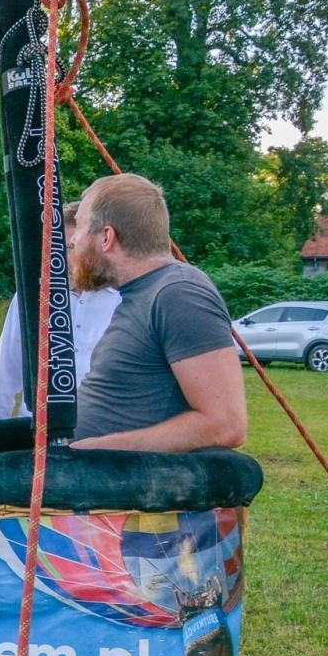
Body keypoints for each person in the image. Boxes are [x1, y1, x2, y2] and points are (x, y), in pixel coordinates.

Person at [68, 174, 246, 451]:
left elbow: (225, 424)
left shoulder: (179, 294)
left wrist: (93, 450)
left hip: (114, 474)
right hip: (79, 467)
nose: (73, 240)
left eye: (79, 226)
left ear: (106, 237)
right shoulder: (141, 292)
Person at [0, 203, 120, 421]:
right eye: (58, 248)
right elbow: (4, 375)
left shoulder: (123, 300)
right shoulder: (32, 297)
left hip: (102, 431)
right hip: (38, 430)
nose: (64, 257)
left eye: (72, 247)